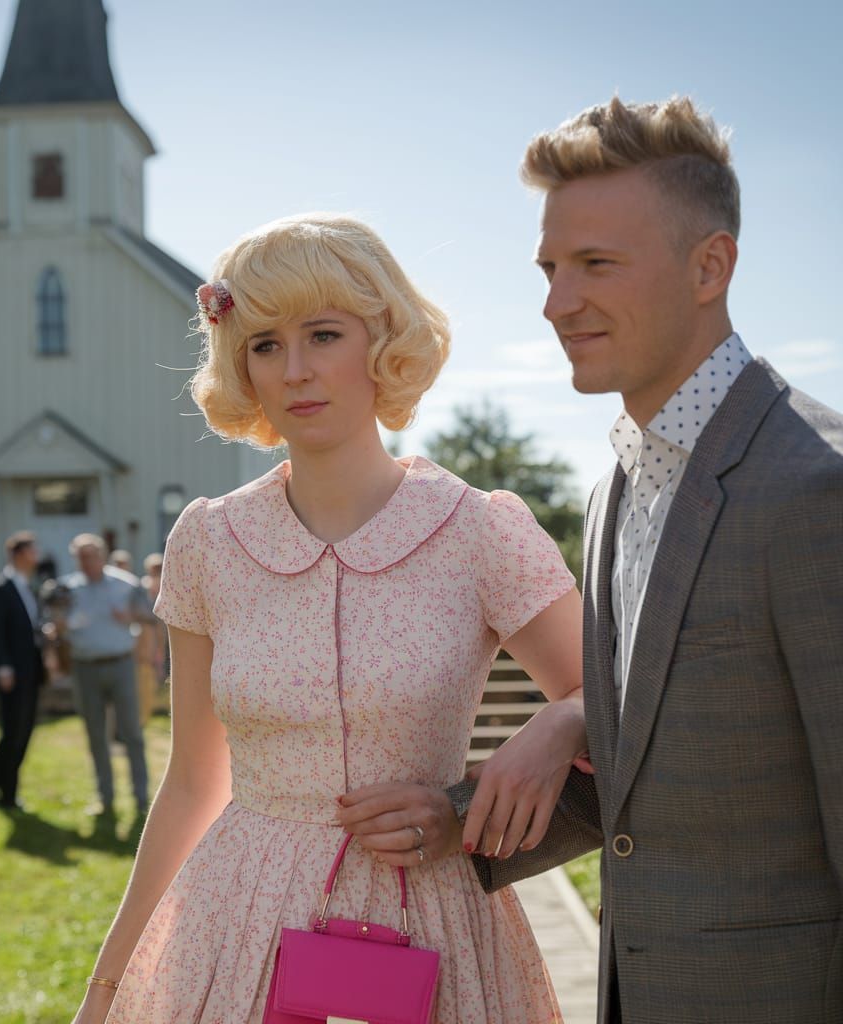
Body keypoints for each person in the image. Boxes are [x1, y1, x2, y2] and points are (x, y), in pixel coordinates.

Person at [351, 96, 843, 1024]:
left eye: (595, 265)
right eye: (549, 267)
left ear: (711, 266)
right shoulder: (612, 488)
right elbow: (658, 774)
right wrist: (459, 816)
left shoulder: (817, 489)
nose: (555, 302)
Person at [73, 213, 587, 1024]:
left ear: (382, 344)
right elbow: (191, 784)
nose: (296, 370)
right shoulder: (208, 540)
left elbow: (613, 703)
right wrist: (106, 991)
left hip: (436, 929)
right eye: (266, 343)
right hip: (238, 922)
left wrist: (482, 790)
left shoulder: (479, 529)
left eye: (323, 334)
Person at [58, 535, 153, 816]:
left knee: (132, 733)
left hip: (121, 665)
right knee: (96, 735)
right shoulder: (68, 589)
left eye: (91, 556)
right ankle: (106, 798)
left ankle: (141, 797)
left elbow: (149, 615)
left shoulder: (126, 583)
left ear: (102, 555)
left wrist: (131, 617)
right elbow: (57, 623)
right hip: (85, 667)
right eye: (80, 557)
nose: (86, 562)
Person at [0, 531, 45, 810]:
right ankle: (4, 793)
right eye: (32, 551)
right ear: (19, 554)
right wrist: (3, 667)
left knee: (24, 730)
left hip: (31, 671)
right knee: (13, 731)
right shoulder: (0, 588)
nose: (37, 557)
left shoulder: (29, 587)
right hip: (13, 673)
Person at [134, 553, 166, 724]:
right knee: (145, 680)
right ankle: (141, 719)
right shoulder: (144, 587)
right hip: (148, 641)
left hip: (162, 637)